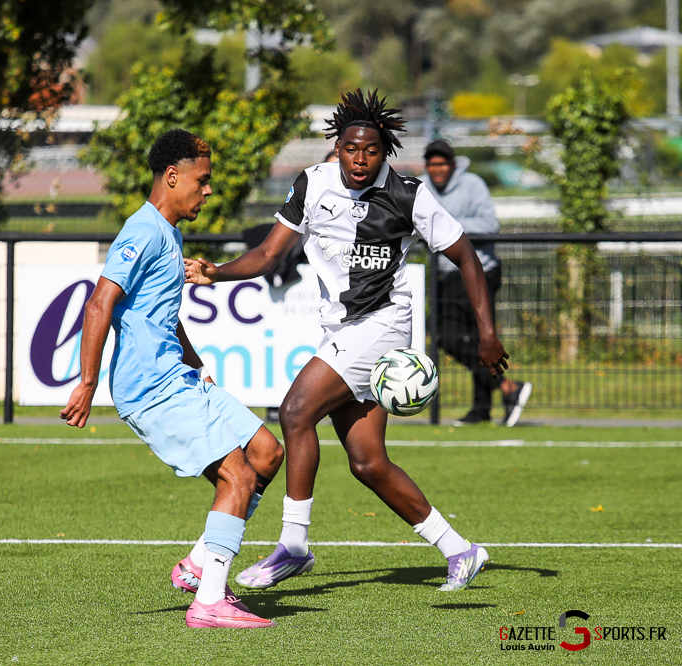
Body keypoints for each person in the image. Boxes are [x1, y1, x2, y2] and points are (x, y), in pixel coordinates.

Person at [185, 89, 509, 593]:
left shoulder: (407, 194)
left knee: (294, 412)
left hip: (381, 327)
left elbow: (465, 255)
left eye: (372, 151)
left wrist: (487, 332)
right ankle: (460, 550)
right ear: (337, 146)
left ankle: (293, 545)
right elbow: (270, 256)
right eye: (351, 148)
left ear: (385, 152)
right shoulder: (311, 185)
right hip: (341, 328)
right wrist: (216, 272)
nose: (360, 160)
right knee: (367, 462)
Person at [60, 129, 285, 628]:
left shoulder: (170, 232)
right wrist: (87, 381)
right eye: (202, 181)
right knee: (238, 475)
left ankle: (201, 563)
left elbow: (160, 311)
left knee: (267, 452)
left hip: (179, 377)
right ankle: (209, 601)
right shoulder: (141, 231)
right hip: (151, 387)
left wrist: (194, 360)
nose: (208, 191)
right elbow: (100, 303)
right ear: (172, 176)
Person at [421, 139, 532, 427]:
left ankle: (487, 404)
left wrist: (447, 225)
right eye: (432, 164)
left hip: (480, 270)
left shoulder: (473, 184)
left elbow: (490, 224)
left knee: (472, 337)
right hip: (445, 273)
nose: (437, 169)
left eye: (442, 163)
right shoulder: (420, 187)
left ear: (453, 164)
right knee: (449, 337)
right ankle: (502, 392)